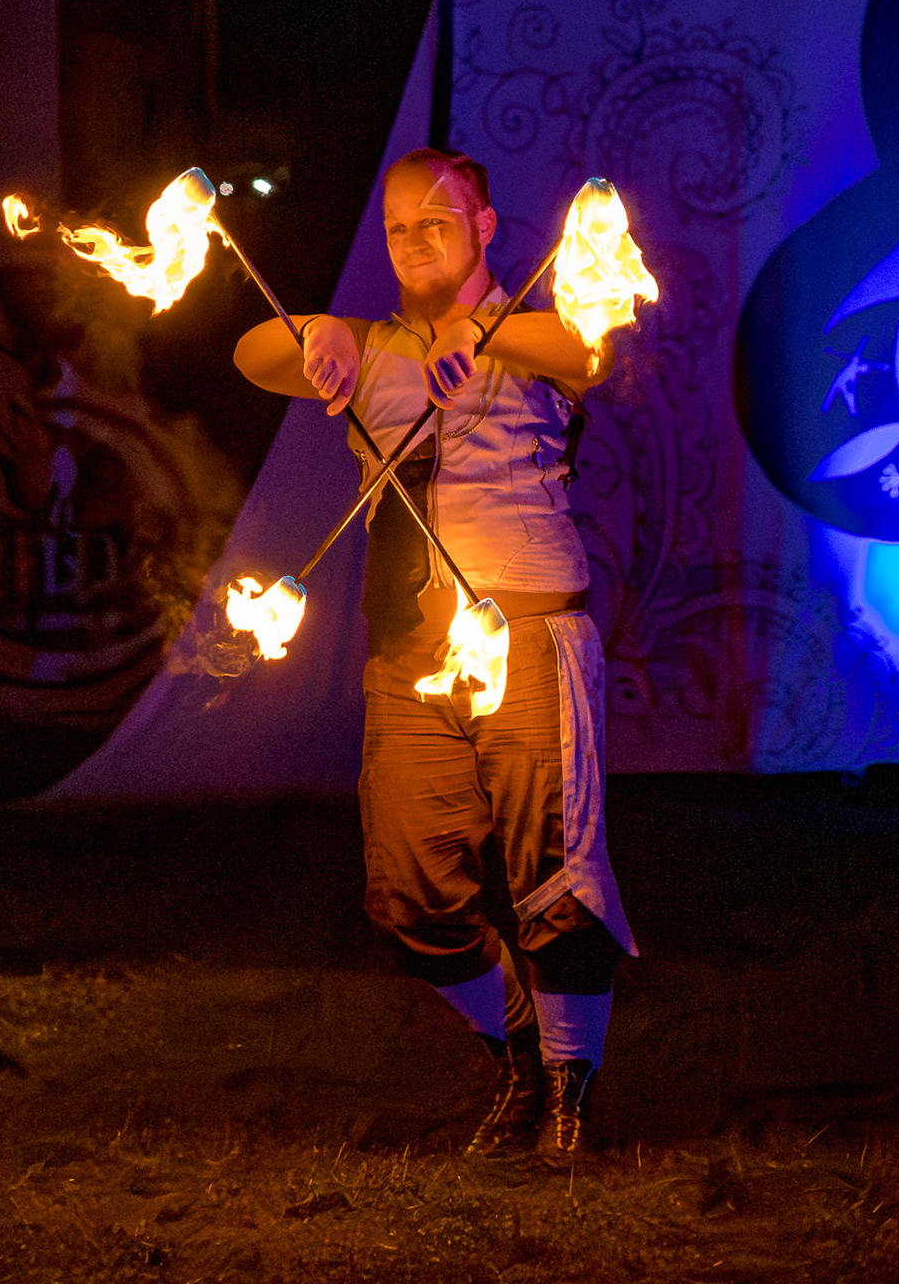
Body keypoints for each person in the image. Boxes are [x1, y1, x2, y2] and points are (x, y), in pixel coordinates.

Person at [233, 149, 637, 1160]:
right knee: (408, 890)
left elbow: (595, 355)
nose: (415, 240)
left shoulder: (538, 330)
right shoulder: (370, 348)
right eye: (399, 226)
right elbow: (255, 355)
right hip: (411, 648)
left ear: (486, 226)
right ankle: (516, 1049)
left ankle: (565, 1095)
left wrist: (479, 330)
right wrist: (319, 341)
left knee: (557, 870)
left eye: (438, 221)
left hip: (531, 628)